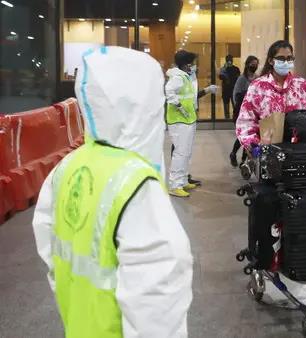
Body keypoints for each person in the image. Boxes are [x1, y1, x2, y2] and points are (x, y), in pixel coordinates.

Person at [32, 46, 193, 337]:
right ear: (142, 104)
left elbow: (51, 255)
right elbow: (157, 308)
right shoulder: (137, 187)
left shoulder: (67, 167)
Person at [236, 40, 306, 150]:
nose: (285, 62)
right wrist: (255, 146)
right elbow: (245, 122)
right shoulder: (258, 87)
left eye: (289, 58)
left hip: (299, 152)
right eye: (281, 58)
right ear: (271, 61)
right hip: (268, 151)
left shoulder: (303, 86)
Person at [165, 50, 218, 198]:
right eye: (192, 63)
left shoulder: (185, 76)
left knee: (186, 152)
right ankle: (174, 185)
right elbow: (169, 92)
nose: (194, 66)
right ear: (186, 64)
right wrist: (180, 107)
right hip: (179, 120)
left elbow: (191, 96)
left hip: (188, 119)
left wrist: (206, 90)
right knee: (180, 153)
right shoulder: (177, 77)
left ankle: (182, 180)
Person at [229, 55, 259, 167]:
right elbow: (235, 95)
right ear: (247, 65)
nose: (254, 66)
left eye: (256, 64)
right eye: (252, 64)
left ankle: (244, 160)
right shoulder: (242, 79)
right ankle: (233, 154)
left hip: (253, 112)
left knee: (250, 137)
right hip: (242, 111)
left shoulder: (257, 78)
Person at [219, 54, 241, 119]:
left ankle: (235, 118)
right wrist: (224, 68)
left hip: (233, 90)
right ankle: (227, 119)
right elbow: (220, 76)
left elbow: (238, 78)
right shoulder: (224, 69)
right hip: (226, 91)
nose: (229, 61)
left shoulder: (236, 69)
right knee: (226, 107)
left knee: (235, 106)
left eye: (230, 60)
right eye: (228, 60)